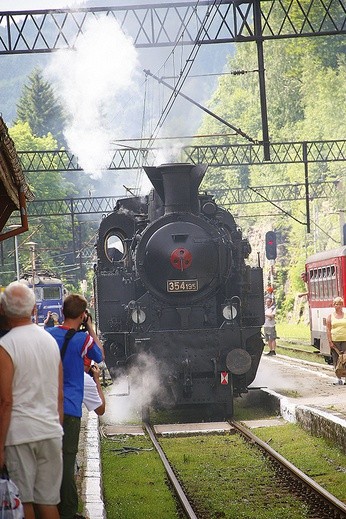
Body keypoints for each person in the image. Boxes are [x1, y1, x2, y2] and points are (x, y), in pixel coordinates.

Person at [0, 282, 63, 519]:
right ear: (34, 309)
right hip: (50, 430)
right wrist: (58, 427)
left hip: (20, 434)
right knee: (48, 503)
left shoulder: (5, 346)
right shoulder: (49, 341)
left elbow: (5, 401)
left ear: (4, 311)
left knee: (23, 502)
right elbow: (59, 394)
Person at [47, 293, 104, 519]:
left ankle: (53, 506)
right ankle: (67, 512)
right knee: (67, 461)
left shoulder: (48, 334)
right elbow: (99, 355)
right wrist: (89, 326)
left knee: (51, 461)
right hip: (70, 409)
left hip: (48, 407)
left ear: (62, 312)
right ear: (81, 315)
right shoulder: (83, 339)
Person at [326, 296, 346, 386]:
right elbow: (328, 329)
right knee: (336, 359)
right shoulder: (330, 317)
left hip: (345, 339)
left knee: (345, 360)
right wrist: (330, 341)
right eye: (335, 304)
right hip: (335, 340)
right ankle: (338, 378)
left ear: (342, 305)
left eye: (339, 304)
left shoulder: (345, 315)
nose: (337, 306)